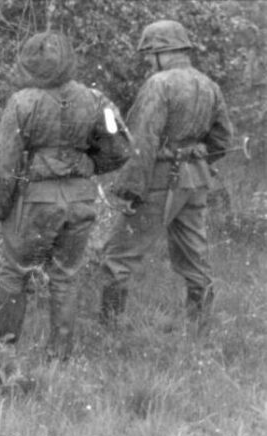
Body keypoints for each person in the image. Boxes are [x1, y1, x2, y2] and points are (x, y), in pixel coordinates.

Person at [0, 31, 130, 360]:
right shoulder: (96, 99)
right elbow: (120, 149)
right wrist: (89, 163)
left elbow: (2, 163)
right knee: (65, 276)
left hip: (35, 200)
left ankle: (3, 356)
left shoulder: (23, 102)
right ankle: (59, 360)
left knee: (15, 273)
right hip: (80, 200)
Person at [97, 20, 232, 335]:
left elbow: (142, 141)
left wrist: (129, 191)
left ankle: (110, 334)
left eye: (149, 54)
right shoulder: (209, 85)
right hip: (195, 182)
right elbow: (223, 139)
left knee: (117, 255)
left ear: (162, 52)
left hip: (158, 180)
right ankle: (199, 331)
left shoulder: (159, 85)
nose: (147, 61)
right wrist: (198, 159)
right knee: (194, 256)